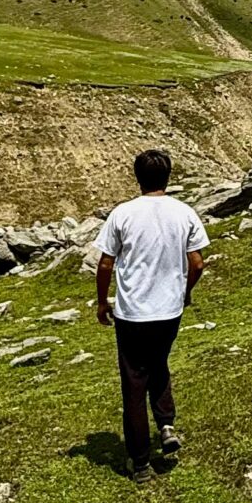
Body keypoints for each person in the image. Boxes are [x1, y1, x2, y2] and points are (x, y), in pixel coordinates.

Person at [94, 148, 208, 481]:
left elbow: (105, 263)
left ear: (137, 176)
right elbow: (197, 262)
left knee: (133, 381)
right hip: (169, 310)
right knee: (159, 362)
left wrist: (103, 302)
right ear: (168, 176)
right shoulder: (183, 212)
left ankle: (141, 462)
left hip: (133, 313)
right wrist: (185, 291)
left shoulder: (122, 214)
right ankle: (167, 424)